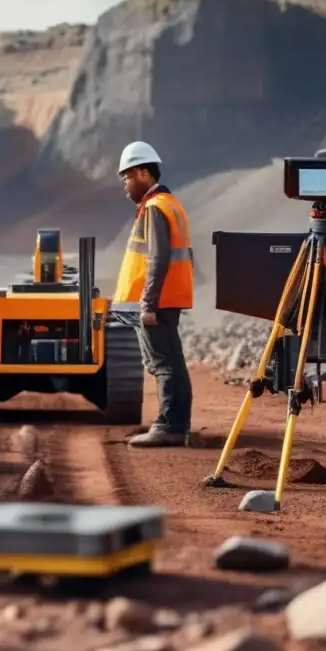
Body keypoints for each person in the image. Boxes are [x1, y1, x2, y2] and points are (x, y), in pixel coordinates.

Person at [111, 141, 195, 447]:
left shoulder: (156, 208)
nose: (125, 184)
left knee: (163, 364)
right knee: (172, 361)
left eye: (127, 176)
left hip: (156, 303)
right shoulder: (169, 205)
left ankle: (168, 427)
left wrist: (148, 304)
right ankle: (176, 424)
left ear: (144, 172)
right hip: (166, 300)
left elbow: (158, 260)